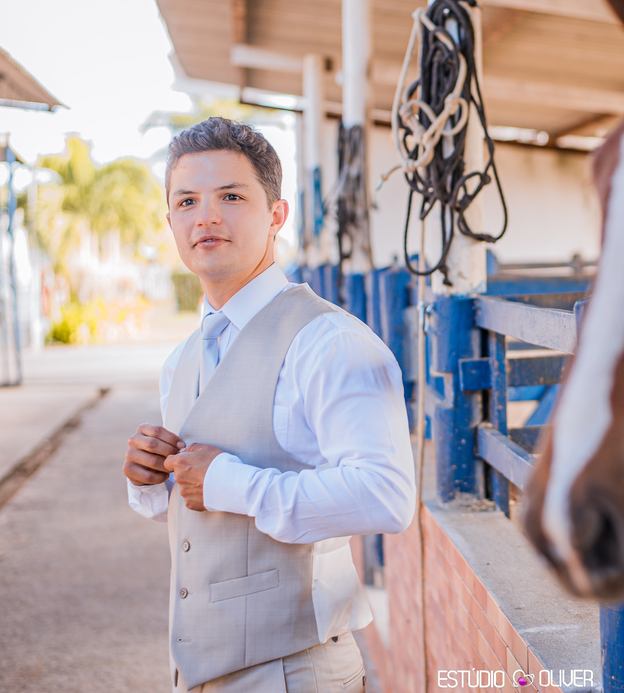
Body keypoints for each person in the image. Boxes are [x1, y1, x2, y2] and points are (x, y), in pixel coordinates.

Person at [122, 117, 416, 693]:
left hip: (295, 673)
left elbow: (387, 496)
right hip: (198, 670)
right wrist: (149, 482)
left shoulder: (331, 341)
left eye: (231, 196)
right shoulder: (181, 360)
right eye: (187, 201)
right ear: (171, 223)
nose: (206, 216)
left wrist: (232, 482)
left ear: (276, 215)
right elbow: (199, 507)